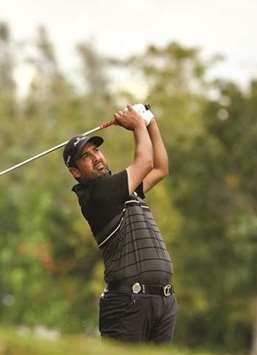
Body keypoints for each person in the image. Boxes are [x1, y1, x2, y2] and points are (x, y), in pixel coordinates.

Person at [63, 104, 177, 343]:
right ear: (75, 172)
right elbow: (145, 162)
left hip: (161, 302)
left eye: (96, 151)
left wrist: (150, 122)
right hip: (128, 302)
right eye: (86, 156)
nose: (96, 158)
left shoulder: (127, 191)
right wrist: (137, 126)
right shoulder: (97, 194)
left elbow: (160, 168)